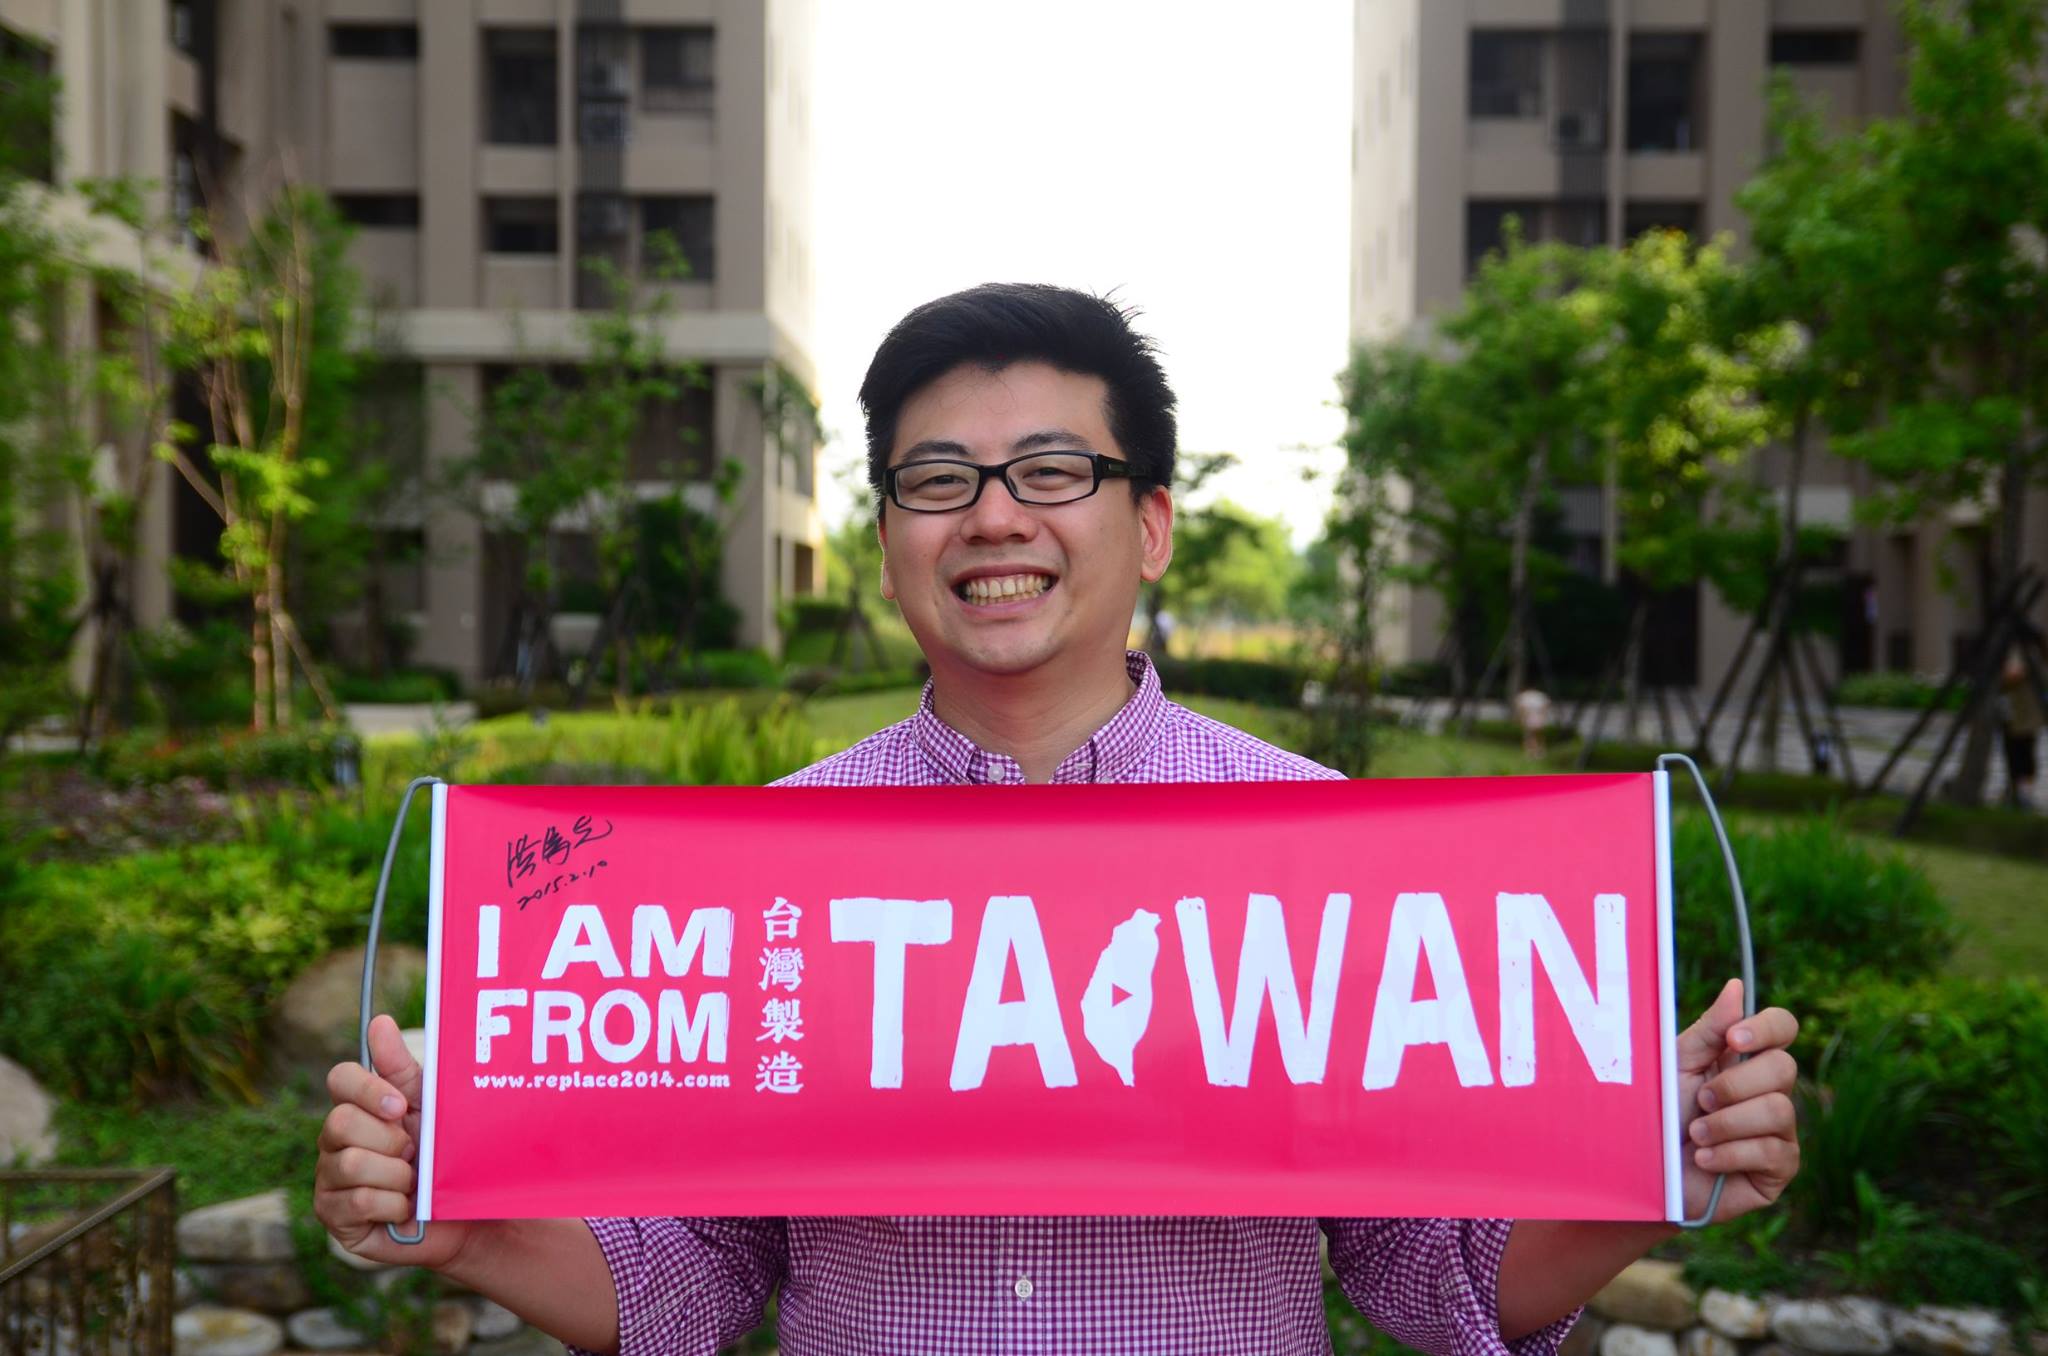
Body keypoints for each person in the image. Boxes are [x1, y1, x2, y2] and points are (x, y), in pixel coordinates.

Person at [317, 284, 1801, 1355]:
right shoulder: (764, 869)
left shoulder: (1325, 848)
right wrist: (470, 1230)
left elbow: (1431, 1272)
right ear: (887, 535)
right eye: (937, 480)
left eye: (1051, 473)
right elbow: (699, 1277)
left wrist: (1644, 1172)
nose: (993, 518)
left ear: (1147, 522)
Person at [2000, 649, 2042, 808]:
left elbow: (2013, 675)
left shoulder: (2028, 654)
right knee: (2013, 754)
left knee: (2024, 755)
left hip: (2024, 716)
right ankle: (2016, 793)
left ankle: (2023, 794)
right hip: (2010, 715)